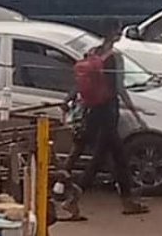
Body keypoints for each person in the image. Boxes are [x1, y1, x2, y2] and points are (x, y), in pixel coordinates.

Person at [65, 32, 147, 215]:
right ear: (116, 32)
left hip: (93, 110)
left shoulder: (94, 52)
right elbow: (119, 88)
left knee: (118, 158)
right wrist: (135, 113)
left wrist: (69, 99)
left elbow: (80, 84)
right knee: (101, 158)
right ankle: (73, 199)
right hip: (109, 112)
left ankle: (128, 201)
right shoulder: (114, 57)